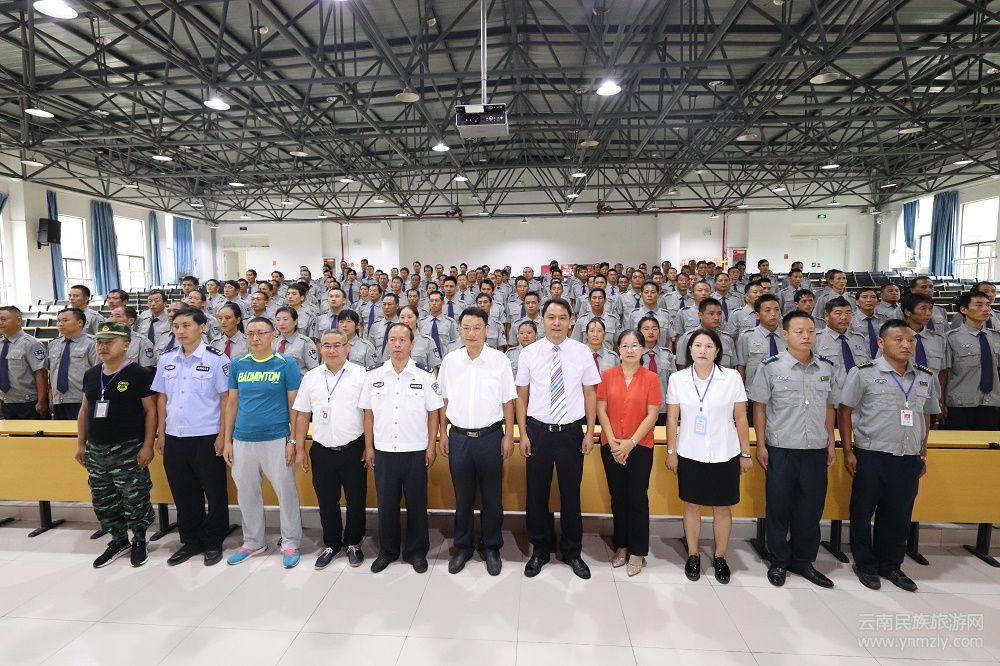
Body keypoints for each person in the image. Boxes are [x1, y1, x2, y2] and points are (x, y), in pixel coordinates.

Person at [839, 320, 941, 592]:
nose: (906, 345)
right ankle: (865, 564)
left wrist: (923, 449)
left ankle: (891, 565)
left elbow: (926, 414)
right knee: (863, 512)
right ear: (881, 343)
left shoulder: (925, 376)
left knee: (899, 514)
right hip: (871, 454)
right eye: (898, 340)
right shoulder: (863, 373)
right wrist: (848, 450)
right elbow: (845, 411)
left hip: (908, 457)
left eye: (910, 340)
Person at [749, 311, 840, 589]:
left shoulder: (826, 368)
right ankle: (779, 560)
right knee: (779, 507)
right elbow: (760, 408)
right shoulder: (771, 367)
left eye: (810, 331)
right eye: (799, 331)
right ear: (785, 334)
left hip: (815, 449)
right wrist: (761, 445)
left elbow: (829, 407)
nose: (806, 336)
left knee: (810, 509)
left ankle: (804, 560)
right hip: (781, 448)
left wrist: (830, 441)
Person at [515, 298, 601, 579]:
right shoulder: (529, 353)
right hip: (538, 432)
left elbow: (590, 393)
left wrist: (590, 431)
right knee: (536, 494)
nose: (556, 323)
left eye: (562, 318)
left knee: (571, 495)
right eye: (551, 317)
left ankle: (572, 551)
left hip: (571, 433)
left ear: (571, 321)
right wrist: (523, 433)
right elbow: (522, 396)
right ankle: (540, 549)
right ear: (542, 320)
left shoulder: (582, 352)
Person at [665, 327, 752, 584]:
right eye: (698, 346)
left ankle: (720, 556)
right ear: (689, 350)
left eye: (709, 346)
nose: (703, 350)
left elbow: (741, 417)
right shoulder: (678, 379)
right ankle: (693, 554)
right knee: (691, 505)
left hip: (725, 452)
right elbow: (672, 418)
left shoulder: (732, 378)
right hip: (690, 451)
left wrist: (745, 453)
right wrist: (671, 451)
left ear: (717, 351)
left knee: (722, 507)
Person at [437, 307, 517, 576]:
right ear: (459, 331)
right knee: (463, 497)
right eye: (466, 328)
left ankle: (491, 547)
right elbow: (442, 399)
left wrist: (508, 435)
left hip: (490, 437)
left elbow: (508, 400)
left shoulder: (499, 361)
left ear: (487, 330)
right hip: (459, 437)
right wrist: (443, 432)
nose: (471, 333)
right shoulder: (450, 361)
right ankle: (463, 547)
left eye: (477, 328)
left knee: (492, 498)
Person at [359, 323, 444, 573]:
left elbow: (433, 413)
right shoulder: (374, 375)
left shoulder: (425, 375)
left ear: (412, 344)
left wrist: (431, 446)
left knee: (417, 504)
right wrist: (369, 447)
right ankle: (388, 551)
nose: (397, 344)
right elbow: (368, 414)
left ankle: (417, 552)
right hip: (384, 451)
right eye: (392, 339)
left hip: (416, 451)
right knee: (386, 505)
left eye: (402, 340)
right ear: (387, 343)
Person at [152, 308, 231, 568]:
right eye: (176, 326)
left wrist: (223, 435)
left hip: (206, 436)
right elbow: (162, 397)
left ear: (202, 327)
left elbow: (226, 399)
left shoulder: (217, 359)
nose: (181, 331)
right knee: (183, 491)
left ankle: (213, 540)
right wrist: (161, 432)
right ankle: (191, 541)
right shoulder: (167, 359)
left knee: (214, 491)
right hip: (175, 436)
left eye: (186, 325)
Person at [74, 322, 156, 568]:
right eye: (100, 342)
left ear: (126, 344)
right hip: (97, 450)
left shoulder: (139, 374)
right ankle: (119, 540)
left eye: (109, 342)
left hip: (128, 449)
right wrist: (81, 444)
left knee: (134, 498)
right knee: (103, 500)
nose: (103, 346)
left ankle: (139, 540)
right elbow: (85, 409)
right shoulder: (92, 374)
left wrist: (148, 445)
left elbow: (150, 411)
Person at [223, 317, 303, 568]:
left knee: (285, 492)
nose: (255, 338)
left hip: (276, 438)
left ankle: (290, 542)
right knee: (247, 493)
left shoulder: (286, 364)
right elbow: (232, 403)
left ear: (272, 335)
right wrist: (227, 440)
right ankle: (253, 541)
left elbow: (294, 405)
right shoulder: (238, 364)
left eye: (261, 333)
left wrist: (292, 441)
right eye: (250, 334)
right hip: (243, 439)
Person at [291, 329, 368, 569]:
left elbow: (369, 413)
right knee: (326, 500)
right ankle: (332, 544)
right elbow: (302, 415)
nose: (332, 350)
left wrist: (369, 446)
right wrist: (299, 448)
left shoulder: (362, 375)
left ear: (348, 347)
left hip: (354, 448)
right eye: (326, 345)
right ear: (320, 348)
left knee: (356, 499)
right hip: (322, 449)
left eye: (337, 345)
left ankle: (353, 543)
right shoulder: (311, 377)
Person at [595, 329, 661, 577]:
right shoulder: (607, 376)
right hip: (611, 446)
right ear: (618, 350)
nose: (630, 350)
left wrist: (630, 443)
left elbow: (652, 414)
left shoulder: (651, 378)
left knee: (637, 498)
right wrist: (614, 442)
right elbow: (601, 410)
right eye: (625, 345)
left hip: (639, 447)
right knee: (618, 497)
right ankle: (621, 545)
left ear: (642, 349)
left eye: (635, 345)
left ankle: (637, 551)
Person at [942, 290, 1000, 430]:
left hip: (992, 403)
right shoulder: (950, 338)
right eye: (979, 305)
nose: (985, 309)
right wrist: (941, 402)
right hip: (960, 404)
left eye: (987, 305)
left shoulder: (996, 337)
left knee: (989, 442)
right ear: (964, 310)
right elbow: (944, 373)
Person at [48, 307, 99, 419]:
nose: (60, 324)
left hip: (82, 400)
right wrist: (51, 396)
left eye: (65, 320)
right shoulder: (53, 344)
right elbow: (52, 372)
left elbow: (98, 373)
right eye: (59, 321)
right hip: (58, 400)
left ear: (80, 323)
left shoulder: (92, 343)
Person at [0, 306, 48, 419]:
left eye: (3, 319)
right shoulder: (1, 344)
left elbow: (41, 374)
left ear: (18, 320)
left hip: (28, 401)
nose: (0, 322)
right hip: (6, 401)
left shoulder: (31, 343)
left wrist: (41, 401)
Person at [272, 306, 319, 378]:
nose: (281, 323)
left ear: (295, 321)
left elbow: (314, 370)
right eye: (278, 320)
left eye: (285, 319)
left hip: (299, 382)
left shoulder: (305, 342)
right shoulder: (273, 342)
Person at [108, 306, 156, 371]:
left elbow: (147, 370)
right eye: (111, 316)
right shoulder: (104, 341)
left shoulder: (142, 342)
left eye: (118, 316)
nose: (112, 320)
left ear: (130, 321)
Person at [397, 305, 442, 369]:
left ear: (417, 319)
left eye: (409, 317)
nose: (405, 321)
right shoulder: (393, 341)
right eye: (402, 317)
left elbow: (434, 368)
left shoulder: (427, 341)